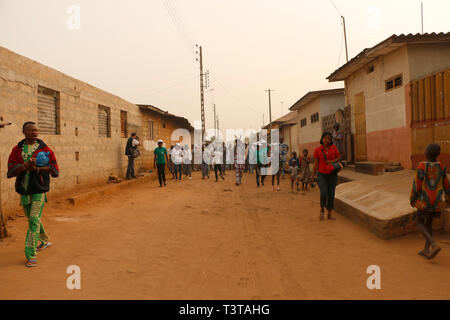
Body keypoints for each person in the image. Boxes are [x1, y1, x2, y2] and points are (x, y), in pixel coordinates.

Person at [7, 122, 59, 268]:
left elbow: (54, 169)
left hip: (39, 190)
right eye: (31, 130)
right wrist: (24, 166)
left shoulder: (45, 148)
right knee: (31, 219)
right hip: (24, 190)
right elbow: (10, 170)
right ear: (24, 132)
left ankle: (30, 254)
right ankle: (44, 240)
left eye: (36, 130)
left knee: (34, 220)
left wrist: (36, 168)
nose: (35, 133)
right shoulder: (17, 150)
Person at [410, 143, 450, 260]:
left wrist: (412, 198)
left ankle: (433, 244)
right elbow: (447, 186)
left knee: (419, 222)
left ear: (427, 153)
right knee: (429, 224)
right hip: (437, 202)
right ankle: (426, 249)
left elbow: (416, 185)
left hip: (424, 201)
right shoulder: (442, 167)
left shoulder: (422, 166)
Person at [312, 132, 341, 221]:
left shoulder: (334, 148)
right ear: (322, 138)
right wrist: (312, 176)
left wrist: (332, 161)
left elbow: (338, 158)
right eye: (325, 138)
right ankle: (322, 211)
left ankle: (329, 214)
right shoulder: (318, 150)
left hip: (332, 174)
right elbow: (315, 164)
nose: (327, 140)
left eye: (329, 139)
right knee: (324, 192)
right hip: (321, 174)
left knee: (331, 194)